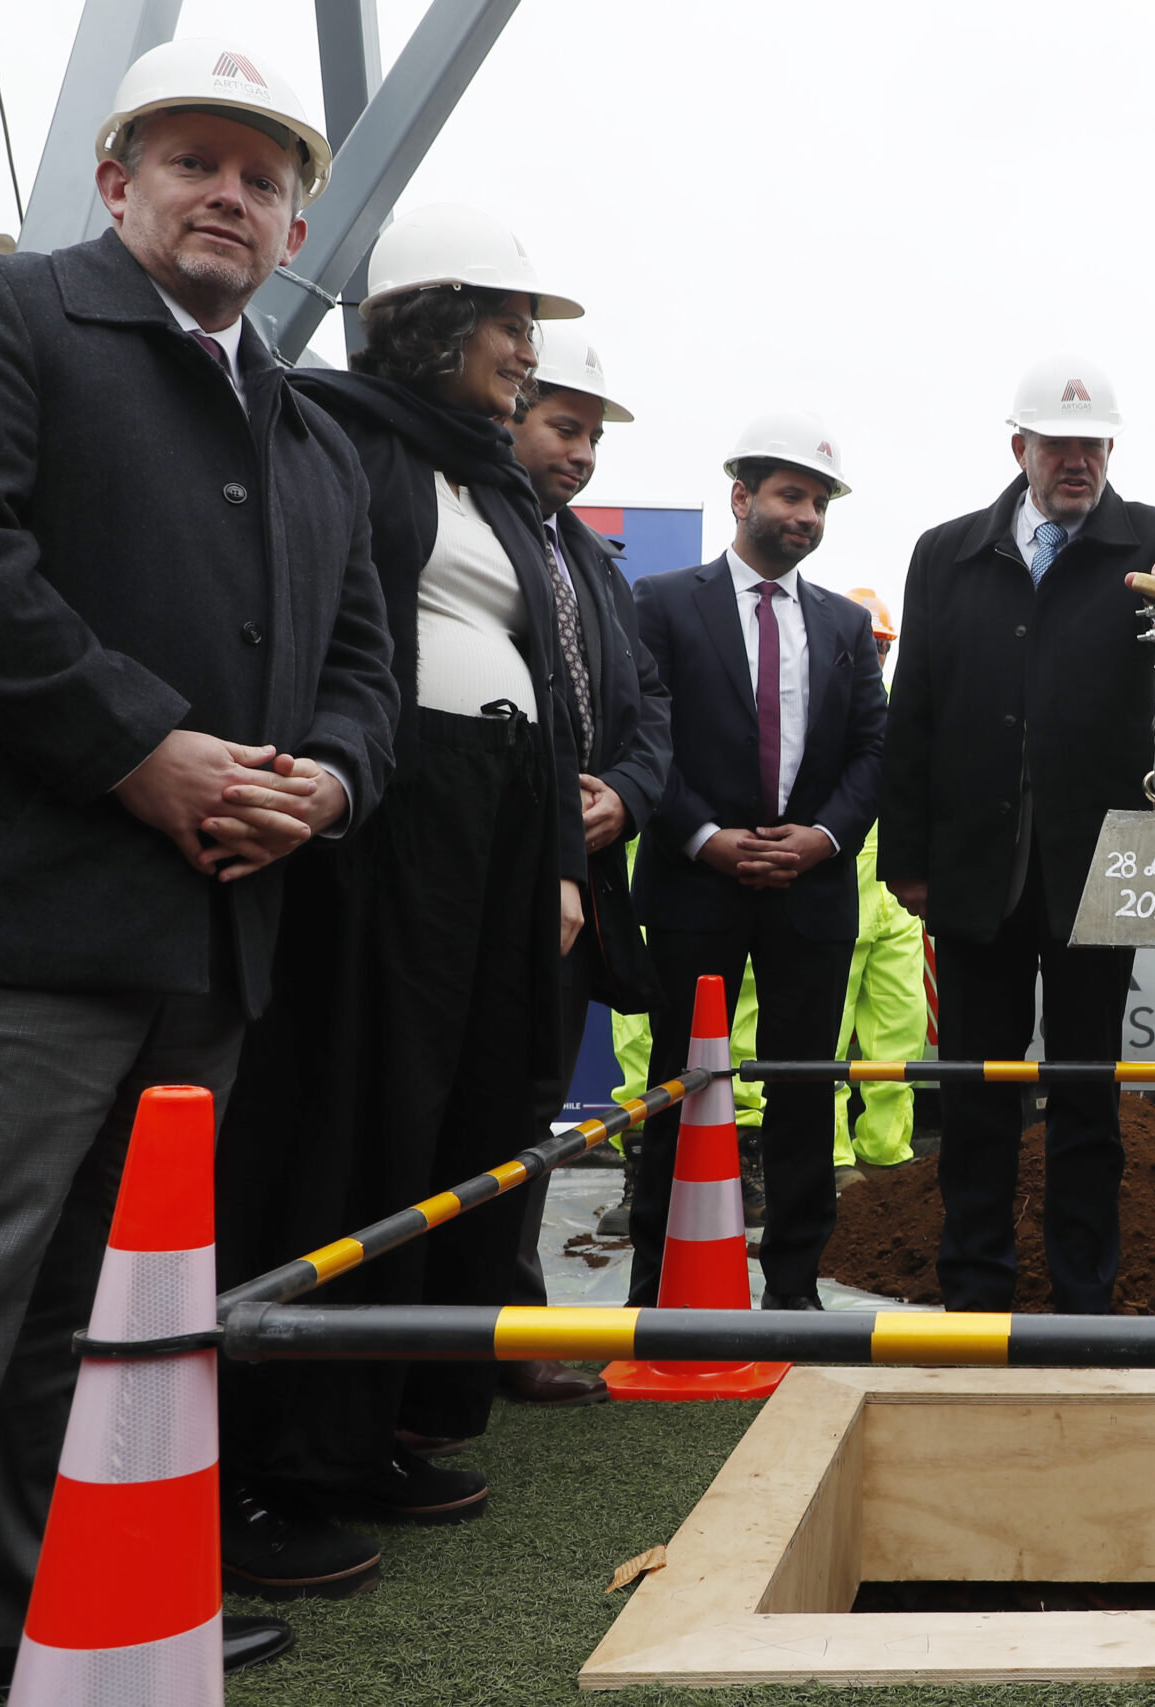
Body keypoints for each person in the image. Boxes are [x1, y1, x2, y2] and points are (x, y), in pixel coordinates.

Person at [0, 39, 396, 1697]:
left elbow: (358, 674)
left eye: (262, 178)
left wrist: (320, 786)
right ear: (117, 183)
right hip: (11, 945)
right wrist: (147, 750)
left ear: (295, 229)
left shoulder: (316, 440)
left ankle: (47, 1634)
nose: (229, 194)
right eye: (192, 160)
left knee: (105, 1332)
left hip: (207, 955)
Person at [215, 201, 589, 1588]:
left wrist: (553, 852)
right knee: (359, 1111)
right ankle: (280, 1451)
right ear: (432, 324)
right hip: (384, 826)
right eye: (505, 328)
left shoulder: (492, 480)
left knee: (468, 1113)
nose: (521, 356)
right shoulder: (334, 431)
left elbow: (546, 690)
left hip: (493, 826)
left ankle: (380, 1416)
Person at [880, 356, 1155, 1313]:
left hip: (1100, 868)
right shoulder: (944, 553)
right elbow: (914, 708)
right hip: (975, 869)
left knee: (1087, 1093)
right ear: (1018, 445)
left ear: (1111, 448)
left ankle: (1083, 1293)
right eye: (1058, 444)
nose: (1077, 462)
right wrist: (908, 858)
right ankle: (974, 1288)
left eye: (1092, 445)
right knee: (975, 1091)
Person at [626, 413, 885, 1310]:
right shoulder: (660, 603)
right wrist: (705, 837)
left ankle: (795, 1288)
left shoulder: (848, 627)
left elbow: (872, 752)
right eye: (790, 495)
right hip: (697, 883)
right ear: (741, 497)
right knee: (675, 1085)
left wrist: (823, 838)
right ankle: (655, 1283)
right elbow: (643, 738)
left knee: (804, 1091)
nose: (806, 515)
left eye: (817, 501)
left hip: (809, 889)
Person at [502, 326, 669, 1401]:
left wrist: (627, 794)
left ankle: (504, 1330)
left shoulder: (594, 571)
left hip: (578, 888)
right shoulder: (465, 534)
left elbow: (646, 705)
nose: (583, 454)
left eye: (594, 435)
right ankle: (441, 1343)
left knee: (522, 1113)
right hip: (488, 872)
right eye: (565, 427)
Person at [830, 589, 928, 1185]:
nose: (876, 653)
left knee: (900, 1028)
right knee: (829, 1036)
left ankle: (888, 1152)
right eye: (868, 643)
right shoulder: (819, 710)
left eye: (884, 646)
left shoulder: (901, 713)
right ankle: (834, 1156)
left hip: (895, 899)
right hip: (838, 890)